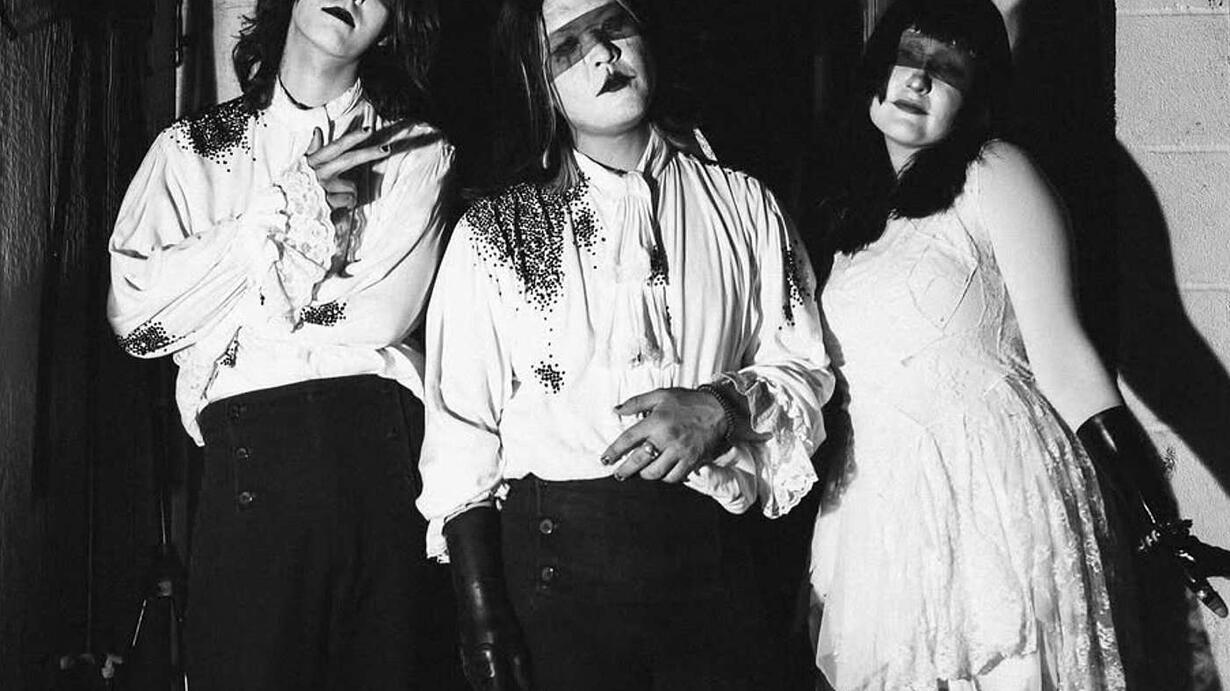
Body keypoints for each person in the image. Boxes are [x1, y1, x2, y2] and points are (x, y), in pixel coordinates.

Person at [807, 0, 1228, 689]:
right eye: (909, 55)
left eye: (948, 67)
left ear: (975, 99)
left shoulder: (994, 171)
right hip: (883, 512)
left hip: (994, 505)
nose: (920, 78)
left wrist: (1160, 522)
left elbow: (1065, 359)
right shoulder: (855, 213)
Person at [416, 0, 834, 689]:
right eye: (568, 47)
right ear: (538, 81)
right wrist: (481, 616)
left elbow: (806, 369)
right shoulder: (496, 231)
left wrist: (723, 406)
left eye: (614, 28)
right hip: (553, 582)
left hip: (714, 569)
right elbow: (460, 431)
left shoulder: (745, 205)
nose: (602, 55)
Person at [106, 0, 461, 688]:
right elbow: (137, 318)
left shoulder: (416, 149)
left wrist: (218, 309)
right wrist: (285, 208)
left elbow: (378, 318)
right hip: (248, 464)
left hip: (380, 457)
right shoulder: (191, 150)